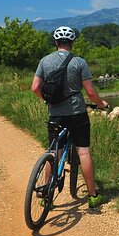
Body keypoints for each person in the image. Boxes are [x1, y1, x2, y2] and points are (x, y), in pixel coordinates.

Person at [31, 26, 109, 209]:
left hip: (55, 114)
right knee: (83, 152)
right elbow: (90, 92)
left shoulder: (45, 61)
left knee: (53, 153)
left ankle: (46, 196)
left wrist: (46, 101)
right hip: (77, 113)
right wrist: (101, 104)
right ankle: (93, 196)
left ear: (56, 42)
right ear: (71, 43)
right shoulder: (79, 62)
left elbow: (35, 87)